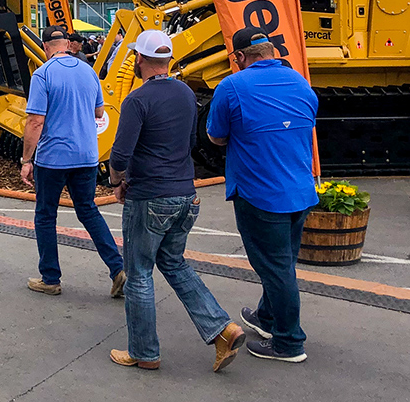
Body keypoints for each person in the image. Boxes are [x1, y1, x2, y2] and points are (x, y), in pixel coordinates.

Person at [108, 29, 244, 372]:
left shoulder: (137, 101)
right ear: (168, 59)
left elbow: (120, 154)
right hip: (186, 194)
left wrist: (117, 181)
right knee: (174, 263)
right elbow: (189, 141)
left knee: (138, 273)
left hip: (150, 196)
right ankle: (221, 329)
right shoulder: (185, 93)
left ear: (139, 59)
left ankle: (143, 352)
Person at [207, 26, 318, 364]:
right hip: (300, 190)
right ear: (271, 51)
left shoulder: (232, 86)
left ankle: (289, 342)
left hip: (259, 193)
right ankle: (266, 319)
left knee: (275, 268)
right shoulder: (301, 83)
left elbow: (216, 137)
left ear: (240, 57)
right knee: (283, 262)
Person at [21, 25, 125, 297]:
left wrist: (26, 159)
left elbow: (35, 121)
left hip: (53, 158)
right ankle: (118, 268)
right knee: (88, 210)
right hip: (86, 155)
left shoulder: (42, 75)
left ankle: (50, 278)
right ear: (67, 44)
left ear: (45, 47)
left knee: (45, 215)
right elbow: (99, 110)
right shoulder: (88, 72)